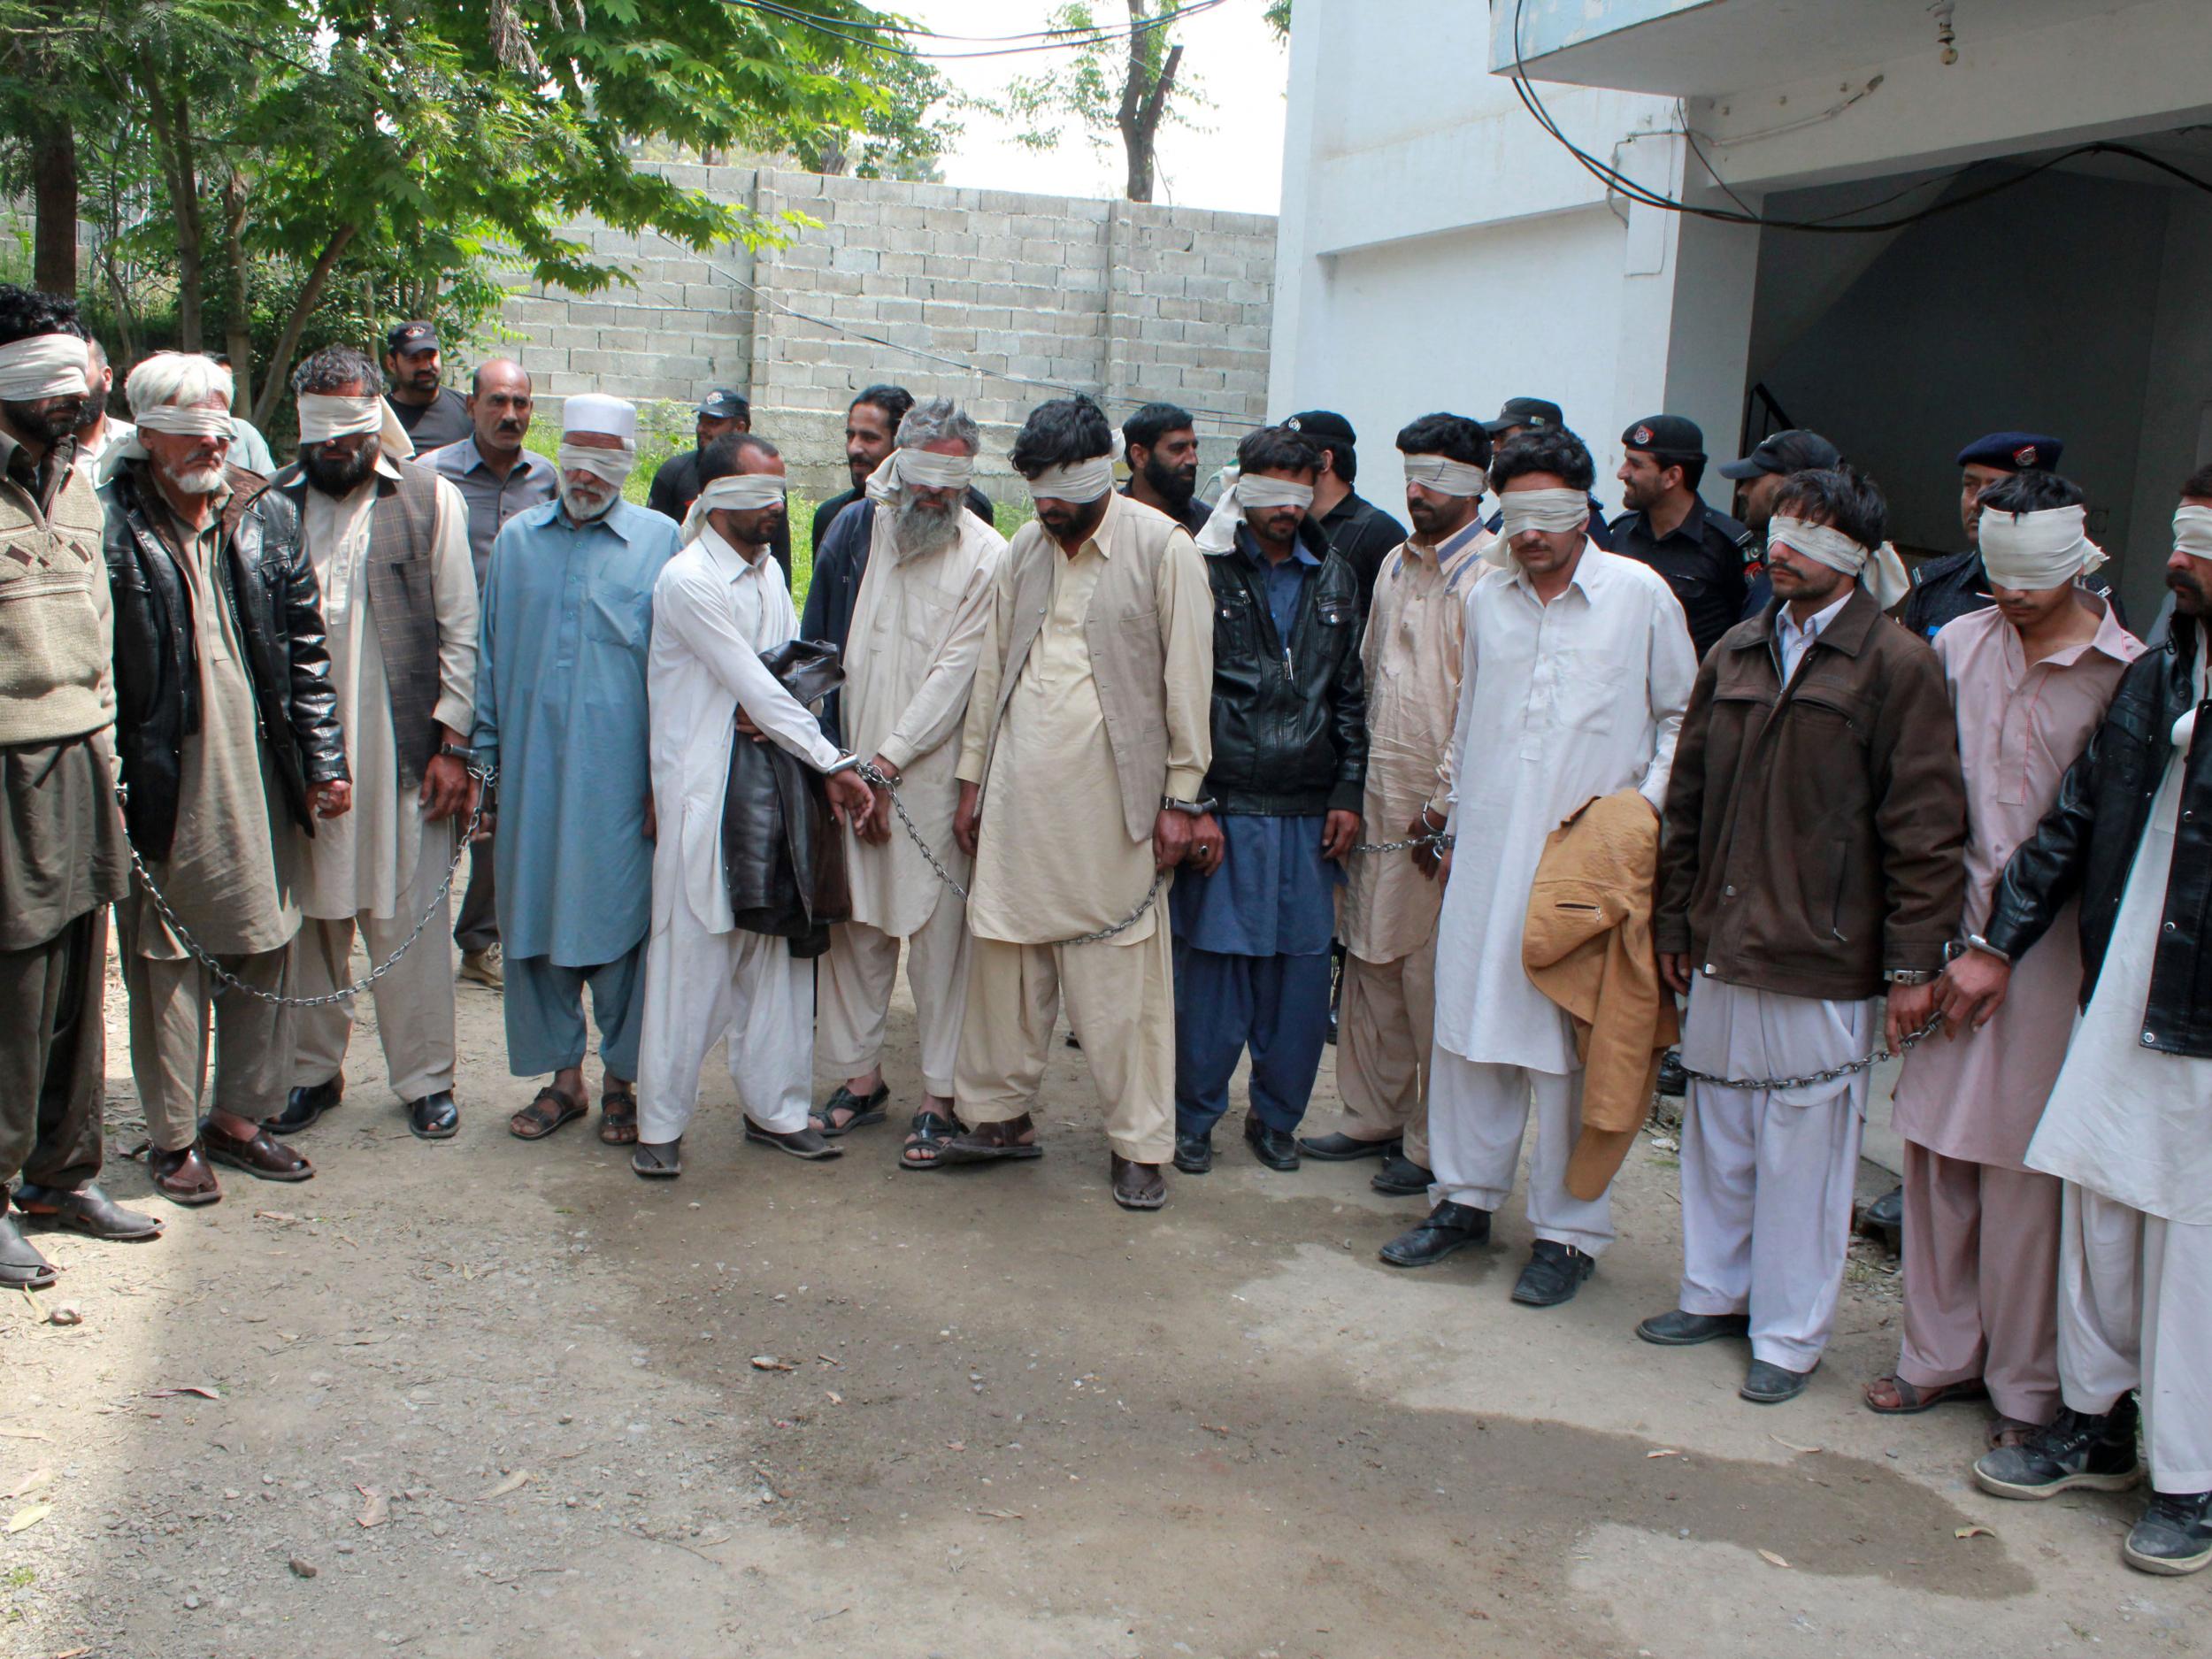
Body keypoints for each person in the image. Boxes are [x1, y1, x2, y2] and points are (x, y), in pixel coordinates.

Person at [1644, 465, 1965, 1403]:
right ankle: (1714, 1292)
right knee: (1717, 1129)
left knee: (1805, 1152)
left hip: (1823, 950)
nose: (1780, 552)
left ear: (1855, 556)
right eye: (1778, 531)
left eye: (1808, 538)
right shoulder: (1739, 648)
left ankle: (1787, 1335)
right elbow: (1688, 799)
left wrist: (1912, 964)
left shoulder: (1896, 666)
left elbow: (1924, 827)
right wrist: (1675, 915)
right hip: (1723, 934)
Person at [1950, 469, 2212, 1575]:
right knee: (2101, 1212)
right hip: (2123, 990)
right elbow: (2072, 822)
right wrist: (1994, 940)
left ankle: (2190, 1482)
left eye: (2197, 543)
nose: (2172, 561)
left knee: (2193, 1249)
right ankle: (2095, 1426)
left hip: (2201, 1021)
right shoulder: (2160, 674)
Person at [1379, 426, 1695, 1308]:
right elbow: (1472, 717)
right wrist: (1447, 817)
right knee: (1471, 1032)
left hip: (1585, 869)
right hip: (1484, 853)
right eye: (1516, 515)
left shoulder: (1640, 596)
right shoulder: (1486, 599)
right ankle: (1463, 1199)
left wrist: (1641, 817)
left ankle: (1567, 1233)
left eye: (1550, 514)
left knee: (1567, 1048)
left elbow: (1680, 717)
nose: (1533, 534)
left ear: (1585, 510)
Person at [1862, 472, 2141, 1445]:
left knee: (2026, 1176)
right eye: (1999, 571)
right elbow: (1917, 802)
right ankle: (1936, 1355)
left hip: (2052, 955)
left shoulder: (2125, 671)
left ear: (2081, 558)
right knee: (1935, 1153)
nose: (2015, 594)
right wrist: (1913, 950)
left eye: (2035, 574)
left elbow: (2104, 835)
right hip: (1945, 928)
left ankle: (2026, 1387)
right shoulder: (1954, 647)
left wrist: (2007, 944)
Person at [938, 396, 1212, 1209]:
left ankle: (1139, 1144)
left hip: (1113, 808)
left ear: (1103, 471)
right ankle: (997, 1117)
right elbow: (992, 667)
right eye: (1036, 492)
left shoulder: (1164, 548)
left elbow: (1188, 683)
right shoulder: (1025, 548)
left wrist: (1181, 799)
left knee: (1119, 985)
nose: (1046, 506)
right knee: (1006, 963)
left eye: (1059, 490)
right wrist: (971, 777)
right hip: (1019, 799)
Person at [104, 350, 350, 1205]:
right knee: (165, 953)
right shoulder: (111, 522)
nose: (211, 438)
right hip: (167, 775)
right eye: (190, 424)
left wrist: (324, 761)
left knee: (267, 939)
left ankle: (240, 1120)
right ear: (147, 435)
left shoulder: (263, 511)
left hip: (261, 769)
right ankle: (173, 1141)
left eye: (219, 418)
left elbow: (305, 648)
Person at [631, 434, 873, 1178]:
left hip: (773, 790)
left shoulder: (767, 573)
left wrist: (780, 719)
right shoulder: (688, 579)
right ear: (712, 500)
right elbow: (757, 684)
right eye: (759, 494)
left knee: (776, 959)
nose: (776, 507)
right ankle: (659, 1126)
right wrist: (831, 756)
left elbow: (790, 671)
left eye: (780, 492)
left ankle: (776, 1110)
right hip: (707, 796)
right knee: (692, 961)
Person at [262, 348, 479, 1144]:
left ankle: (425, 1079)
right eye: (316, 436)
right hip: (304, 757)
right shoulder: (274, 503)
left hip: (405, 749)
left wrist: (454, 743)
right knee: (313, 918)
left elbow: (462, 629)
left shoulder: (428, 498)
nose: (331, 452)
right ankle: (310, 1073)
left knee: (411, 916)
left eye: (346, 435)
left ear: (374, 420)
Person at [802, 400, 1008, 1159]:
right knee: (852, 932)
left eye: (949, 481)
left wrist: (886, 763)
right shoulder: (857, 529)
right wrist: (836, 763)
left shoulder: (989, 554)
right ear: (901, 464)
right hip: (848, 772)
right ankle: (860, 1079)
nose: (932, 497)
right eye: (922, 477)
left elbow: (957, 674)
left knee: (940, 944)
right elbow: (819, 643)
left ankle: (940, 1096)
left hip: (925, 780)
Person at [475, 395, 682, 1147]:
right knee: (530, 924)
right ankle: (564, 1081)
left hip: (623, 781)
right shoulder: (516, 543)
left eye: (606, 455)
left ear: (629, 462)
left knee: (624, 928)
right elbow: (490, 662)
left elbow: (678, 673)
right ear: (556, 453)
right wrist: (486, 770)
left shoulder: (663, 542)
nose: (589, 470)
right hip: (531, 776)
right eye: (577, 452)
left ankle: (624, 1079)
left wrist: (667, 782)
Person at [0, 290, 156, 1282]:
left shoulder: (80, 484)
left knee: (75, 986)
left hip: (83, 756)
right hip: (6, 766)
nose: (76, 400)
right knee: (13, 990)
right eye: (52, 384)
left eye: (81, 380)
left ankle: (63, 1171)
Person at [1304, 413, 1495, 1194]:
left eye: (1438, 479)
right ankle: (1372, 1112)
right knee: (1369, 955)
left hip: (1440, 816)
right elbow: (1366, 676)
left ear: (1476, 484)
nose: (1418, 491)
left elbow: (1482, 703)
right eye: (1412, 475)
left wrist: (1446, 807)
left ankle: (1428, 1143)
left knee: (1430, 972)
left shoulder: (1493, 572)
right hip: (1378, 800)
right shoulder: (1390, 563)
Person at [1168, 426, 1364, 1174]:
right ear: (1240, 485)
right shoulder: (1201, 568)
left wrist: (1347, 789)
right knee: (1214, 977)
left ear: (1318, 484)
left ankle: (1276, 1119)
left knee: (1301, 981)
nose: (1286, 506)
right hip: (1230, 807)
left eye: (1299, 489)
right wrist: (1196, 801)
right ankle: (1194, 1119)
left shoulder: (1337, 576)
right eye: (1269, 489)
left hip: (1312, 814)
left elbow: (1350, 695)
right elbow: (1182, 694)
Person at [427, 359, 557, 990]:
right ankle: (412, 940)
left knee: (500, 810)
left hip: (517, 672)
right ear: (471, 404)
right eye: (497, 401)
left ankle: (481, 939)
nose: (510, 415)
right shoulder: (430, 478)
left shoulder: (548, 479)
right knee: (434, 806)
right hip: (444, 668)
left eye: (521, 403)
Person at [1903, 433, 2124, 640]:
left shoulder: (2093, 597)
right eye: (1970, 486)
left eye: (1995, 488)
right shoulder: (1935, 584)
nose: (1975, 503)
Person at [1610, 415, 1750, 662]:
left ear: (1672, 477)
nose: (1622, 473)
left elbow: (1749, 632)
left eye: (1636, 464)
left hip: (1696, 694)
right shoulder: (1622, 532)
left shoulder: (1728, 543)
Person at [811, 385, 993, 550]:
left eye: (869, 438)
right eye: (851, 436)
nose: (854, 448)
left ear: (902, 444)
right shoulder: (834, 517)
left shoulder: (967, 509)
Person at [646, 390, 792, 581]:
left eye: (713, 423)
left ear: (740, 428)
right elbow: (655, 543)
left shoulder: (764, 482)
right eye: (701, 421)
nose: (702, 429)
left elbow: (778, 549)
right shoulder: (673, 472)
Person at [1284, 409, 1408, 605]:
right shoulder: (1285, 524)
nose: (1280, 468)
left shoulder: (1380, 532)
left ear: (1324, 462)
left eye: (1290, 458)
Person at [1717, 429, 1841, 619]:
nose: (1742, 491)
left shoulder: (1817, 576)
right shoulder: (1777, 565)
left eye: (1754, 479)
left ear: (1793, 485)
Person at [1479, 397, 1612, 549]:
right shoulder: (1507, 509)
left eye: (1503, 438)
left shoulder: (1576, 513)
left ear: (1540, 440)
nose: (1495, 448)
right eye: (1494, 440)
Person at [1120, 401, 1211, 534]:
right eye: (1178, 449)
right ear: (1139, 456)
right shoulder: (1104, 519)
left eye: (1194, 448)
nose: (1193, 461)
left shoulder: (1210, 529)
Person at [381, 321, 471, 452]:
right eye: (414, 359)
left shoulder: (468, 410)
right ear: (392, 364)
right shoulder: (381, 417)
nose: (425, 366)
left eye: (431, 356)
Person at [71, 335, 134, 471]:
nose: (70, 385)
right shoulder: (37, 458)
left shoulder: (137, 442)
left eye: (79, 371)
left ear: (106, 378)